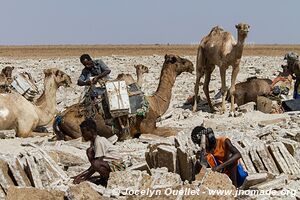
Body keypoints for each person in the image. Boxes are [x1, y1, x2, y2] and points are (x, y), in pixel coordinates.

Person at [72, 118, 125, 185]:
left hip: (118, 166)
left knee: (96, 163)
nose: (82, 135)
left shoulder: (98, 141)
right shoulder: (93, 142)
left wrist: (83, 178)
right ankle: (103, 177)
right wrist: (80, 175)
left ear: (91, 131)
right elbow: (94, 165)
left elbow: (95, 164)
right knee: (89, 151)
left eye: (84, 132)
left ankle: (106, 180)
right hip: (109, 164)